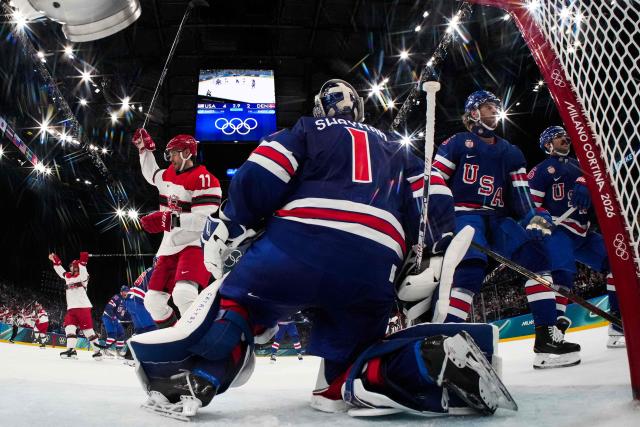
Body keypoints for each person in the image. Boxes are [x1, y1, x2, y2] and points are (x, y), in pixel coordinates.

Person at [129, 79, 517, 420]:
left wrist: (230, 224)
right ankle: (406, 367)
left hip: (296, 245)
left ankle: (203, 374)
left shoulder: (306, 129)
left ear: (320, 108)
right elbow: (434, 196)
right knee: (347, 367)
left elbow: (262, 173)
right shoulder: (398, 150)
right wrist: (433, 249)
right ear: (360, 110)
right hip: (375, 263)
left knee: (238, 302)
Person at [432, 90, 581, 369]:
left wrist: (535, 219)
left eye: (495, 107)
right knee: (472, 267)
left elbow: (522, 197)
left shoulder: (511, 152)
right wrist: (438, 225)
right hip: (464, 213)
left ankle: (546, 339)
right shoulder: (456, 142)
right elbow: (435, 185)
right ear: (473, 112)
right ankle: (447, 338)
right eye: (488, 107)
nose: (494, 113)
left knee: (537, 259)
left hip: (498, 218)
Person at [529, 126, 624, 348]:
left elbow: (600, 179)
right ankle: (553, 333)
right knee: (563, 274)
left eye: (564, 135)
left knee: (616, 263)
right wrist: (544, 218)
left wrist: (586, 183)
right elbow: (532, 205)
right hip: (559, 229)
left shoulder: (581, 164)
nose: (564, 138)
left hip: (583, 231)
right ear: (547, 145)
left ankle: (618, 322)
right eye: (557, 136)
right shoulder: (541, 171)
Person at [131, 129, 222, 328]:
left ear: (187, 153)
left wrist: (167, 220)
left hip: (195, 244)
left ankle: (198, 337)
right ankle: (175, 336)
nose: (170, 156)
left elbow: (203, 221)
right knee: (152, 301)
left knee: (183, 293)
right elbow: (151, 174)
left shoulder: (205, 179)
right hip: (169, 247)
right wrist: (144, 150)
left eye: (173, 152)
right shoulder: (167, 175)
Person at [49, 251, 104, 360]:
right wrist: (54, 259)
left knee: (88, 331)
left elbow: (83, 268)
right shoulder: (68, 277)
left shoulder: (83, 276)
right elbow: (60, 270)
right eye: (71, 267)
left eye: (74, 267)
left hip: (82, 307)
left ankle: (98, 351)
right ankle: (71, 350)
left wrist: (83, 260)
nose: (71, 268)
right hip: (71, 308)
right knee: (69, 327)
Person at [125, 259, 158, 335]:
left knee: (140, 331)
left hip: (130, 300)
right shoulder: (156, 271)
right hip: (138, 301)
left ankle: (131, 346)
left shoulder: (149, 270)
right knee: (152, 329)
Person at [101, 286, 129, 356]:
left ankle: (118, 350)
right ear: (121, 292)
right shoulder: (117, 297)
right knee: (112, 334)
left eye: (127, 292)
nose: (126, 293)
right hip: (108, 317)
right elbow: (108, 308)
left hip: (116, 319)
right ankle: (105, 350)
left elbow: (124, 314)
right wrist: (113, 317)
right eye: (125, 291)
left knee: (121, 334)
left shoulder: (126, 301)